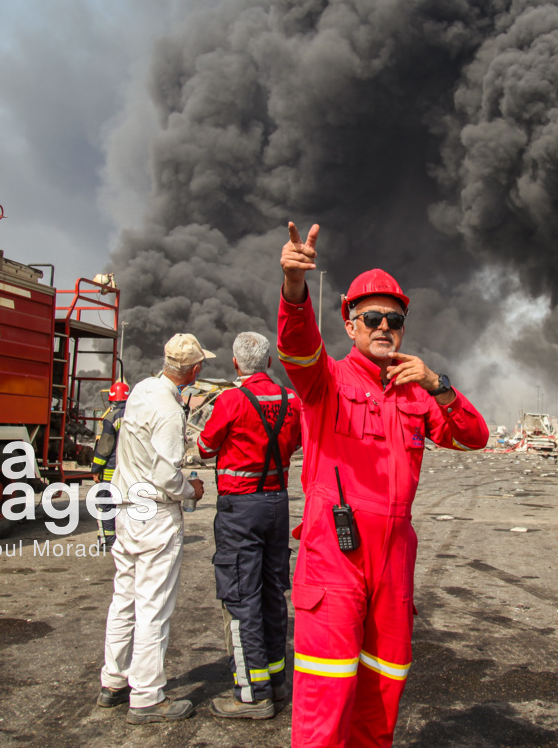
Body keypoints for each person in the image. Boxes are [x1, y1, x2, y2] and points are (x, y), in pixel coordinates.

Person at [276, 222, 489, 747]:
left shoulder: (417, 394)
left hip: (394, 561)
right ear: (350, 326)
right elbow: (297, 348)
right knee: (325, 699)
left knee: (383, 695)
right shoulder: (325, 381)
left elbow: (474, 437)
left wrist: (438, 386)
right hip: (335, 557)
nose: (384, 327)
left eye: (393, 319)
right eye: (371, 317)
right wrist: (293, 289)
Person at [98, 333, 214, 724]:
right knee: (153, 606)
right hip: (156, 517)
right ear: (195, 370)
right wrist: (191, 489)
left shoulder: (143, 389)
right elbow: (166, 474)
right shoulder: (167, 409)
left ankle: (113, 680)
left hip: (126, 511)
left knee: (124, 597)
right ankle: (147, 697)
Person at [196, 331, 303, 719]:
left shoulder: (231, 401)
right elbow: (299, 443)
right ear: (270, 363)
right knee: (273, 591)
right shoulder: (292, 400)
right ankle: (276, 681)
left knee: (241, 597)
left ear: (236, 363)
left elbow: (206, 447)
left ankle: (252, 693)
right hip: (277, 504)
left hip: (240, 508)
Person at [92, 380, 130, 550]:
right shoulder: (136, 414)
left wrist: (95, 469)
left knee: (105, 503)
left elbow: (105, 447)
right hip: (131, 470)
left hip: (111, 470)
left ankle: (107, 540)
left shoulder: (111, 417)